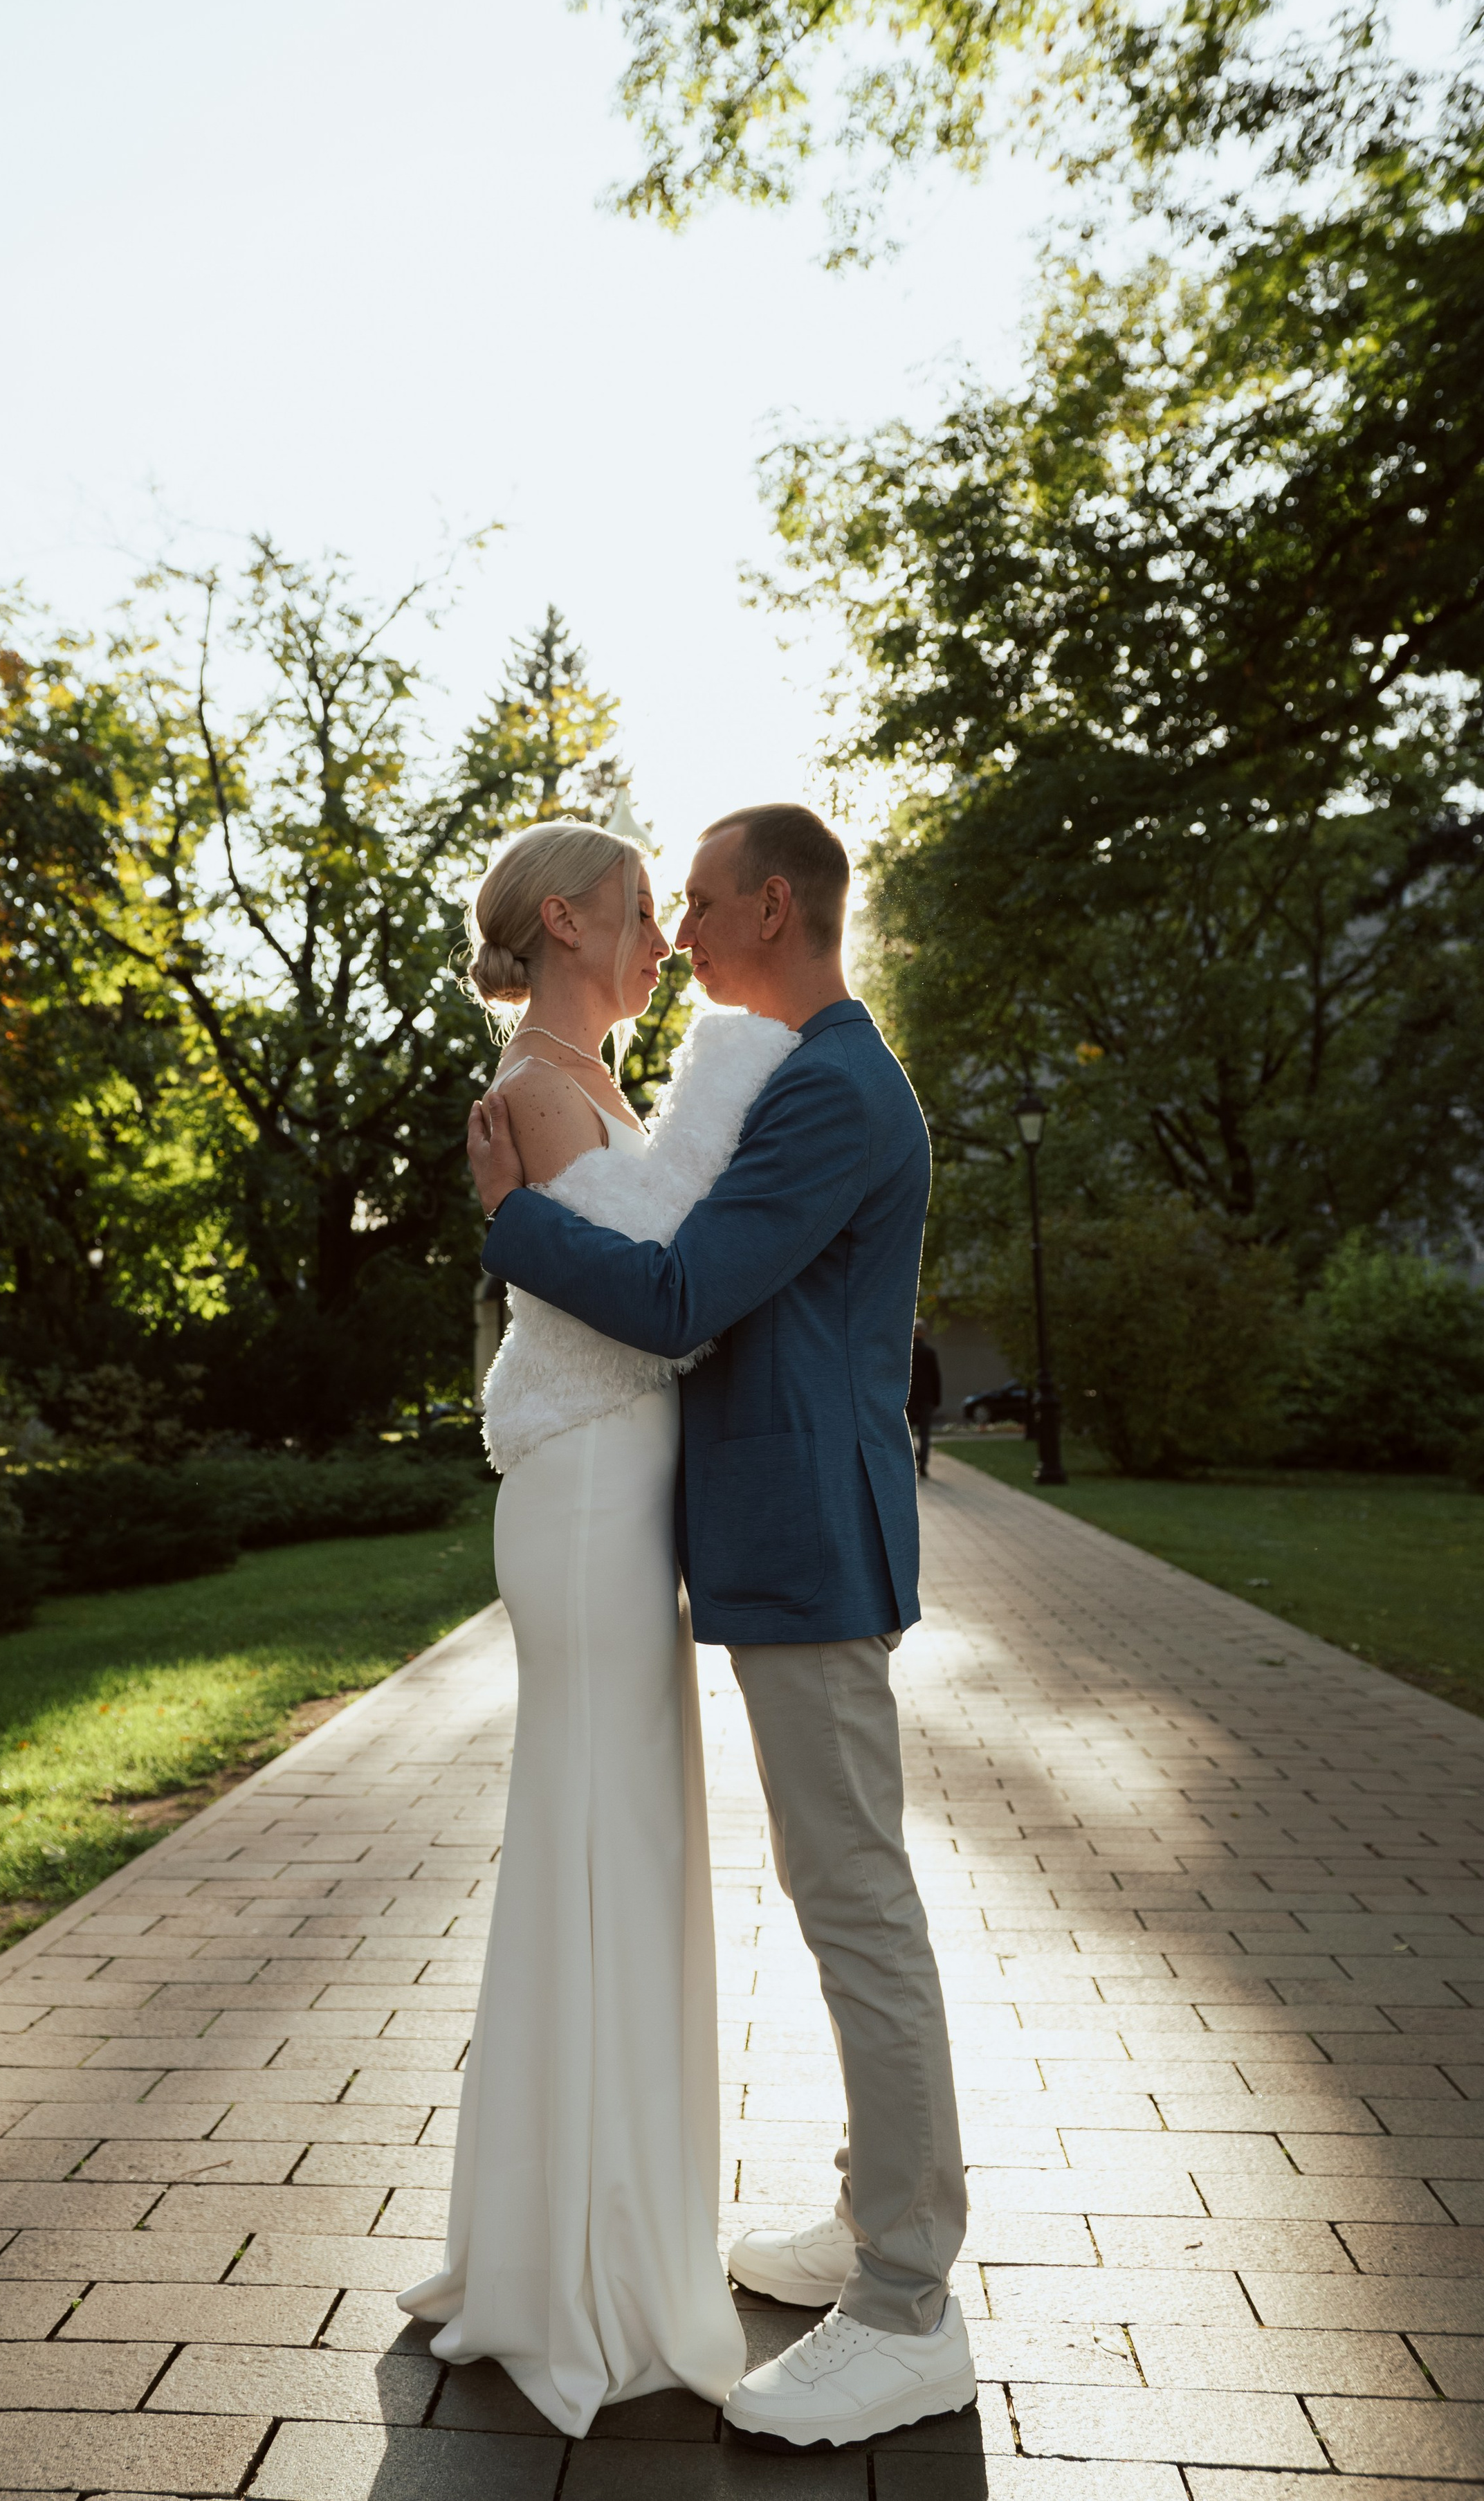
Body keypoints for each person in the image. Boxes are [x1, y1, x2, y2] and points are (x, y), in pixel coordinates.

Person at [468, 803, 972, 2453]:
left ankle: (905, 2303)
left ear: (773, 900)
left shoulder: (826, 1086)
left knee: (853, 1897)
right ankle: (868, 2216)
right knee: (838, 1887)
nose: (674, 928)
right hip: (776, 1532)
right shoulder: (805, 1071)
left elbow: (681, 1298)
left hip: (808, 1538)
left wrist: (512, 1221)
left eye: (693, 898)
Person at [398, 819, 761, 2437]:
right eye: (636, 914)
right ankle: (575, 2265)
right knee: (598, 1834)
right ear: (563, 920)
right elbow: (642, 1293)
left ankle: (590, 2222)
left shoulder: (590, 1084)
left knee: (622, 1835)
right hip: (586, 1486)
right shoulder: (538, 1092)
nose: (661, 940)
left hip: (622, 1489)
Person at [908, 1318, 943, 1478]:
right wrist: (936, 1399)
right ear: (924, 1332)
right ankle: (924, 1466)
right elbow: (936, 1377)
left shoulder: (907, 1352)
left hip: (909, 1399)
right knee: (924, 1434)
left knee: (908, 1433)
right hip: (926, 1399)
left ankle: (912, 1460)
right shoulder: (930, 1353)